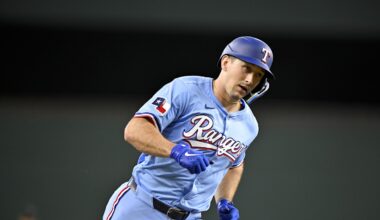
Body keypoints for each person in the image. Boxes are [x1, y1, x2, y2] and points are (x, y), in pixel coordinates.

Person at [103, 36, 275, 220]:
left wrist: (225, 200)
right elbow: (134, 130)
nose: (250, 79)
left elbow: (234, 165)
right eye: (246, 68)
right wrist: (175, 151)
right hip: (141, 206)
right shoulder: (185, 90)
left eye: (258, 75)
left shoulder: (249, 125)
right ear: (226, 62)